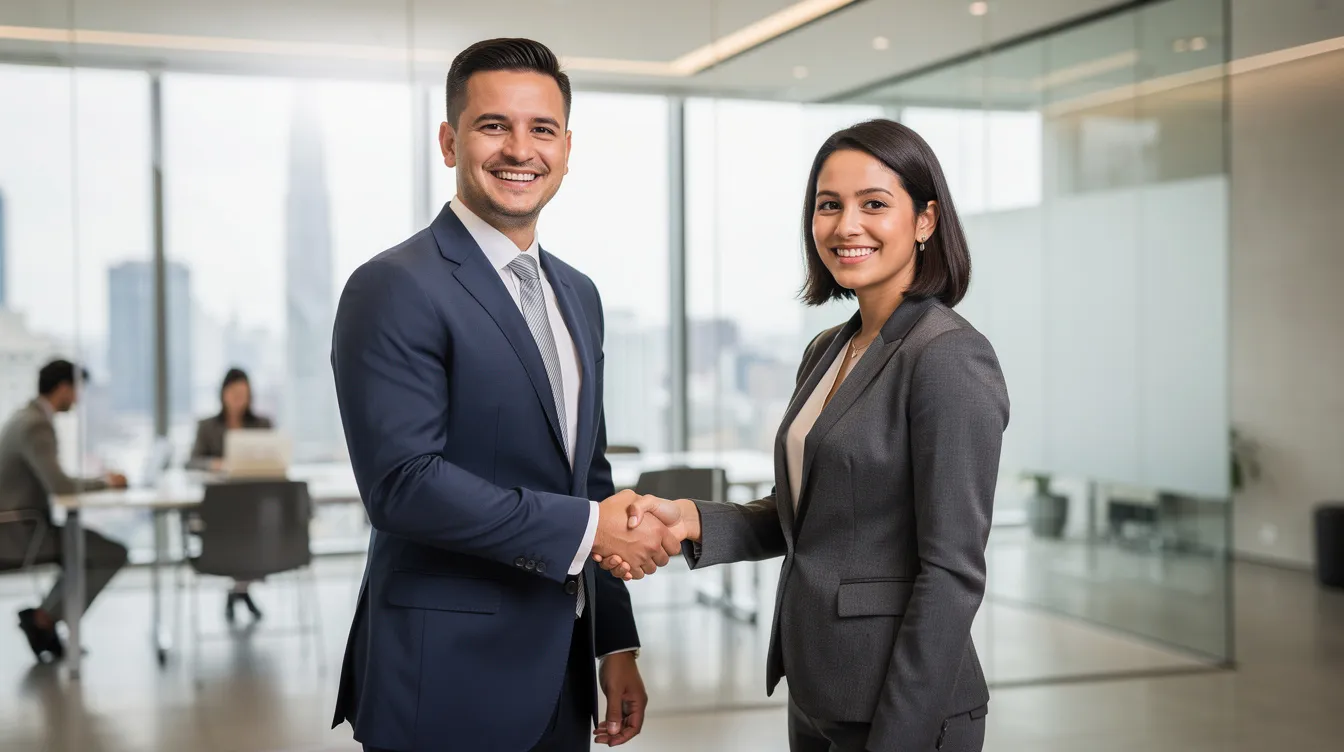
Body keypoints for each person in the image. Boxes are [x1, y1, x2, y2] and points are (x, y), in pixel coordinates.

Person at [602, 119, 1010, 752]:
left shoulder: (948, 356)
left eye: (874, 203)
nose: (846, 225)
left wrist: (899, 734)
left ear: (925, 220)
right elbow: (807, 517)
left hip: (902, 709)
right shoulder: (831, 348)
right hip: (820, 692)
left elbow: (952, 573)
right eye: (829, 205)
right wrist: (687, 519)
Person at [329, 38, 679, 752]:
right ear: (449, 139)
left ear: (568, 148)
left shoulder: (578, 294)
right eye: (494, 126)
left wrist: (615, 644)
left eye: (541, 129)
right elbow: (403, 485)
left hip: (561, 676)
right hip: (445, 679)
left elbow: (592, 479)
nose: (520, 149)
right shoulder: (394, 286)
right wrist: (586, 530)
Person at [0, 359, 128, 663]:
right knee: (110, 553)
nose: (78, 398)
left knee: (87, 550)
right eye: (77, 389)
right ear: (63, 388)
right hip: (18, 534)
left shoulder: (26, 417)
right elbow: (60, 486)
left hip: (21, 526)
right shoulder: (35, 425)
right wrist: (107, 483)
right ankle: (43, 620)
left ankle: (44, 619)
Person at [187, 367, 273, 623]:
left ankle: (238, 590)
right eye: (234, 393)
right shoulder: (207, 427)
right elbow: (191, 462)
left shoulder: (262, 424)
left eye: (244, 394)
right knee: (238, 531)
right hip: (219, 508)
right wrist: (213, 464)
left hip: (253, 505)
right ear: (223, 394)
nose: (239, 399)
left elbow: (272, 459)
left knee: (250, 527)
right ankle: (240, 591)